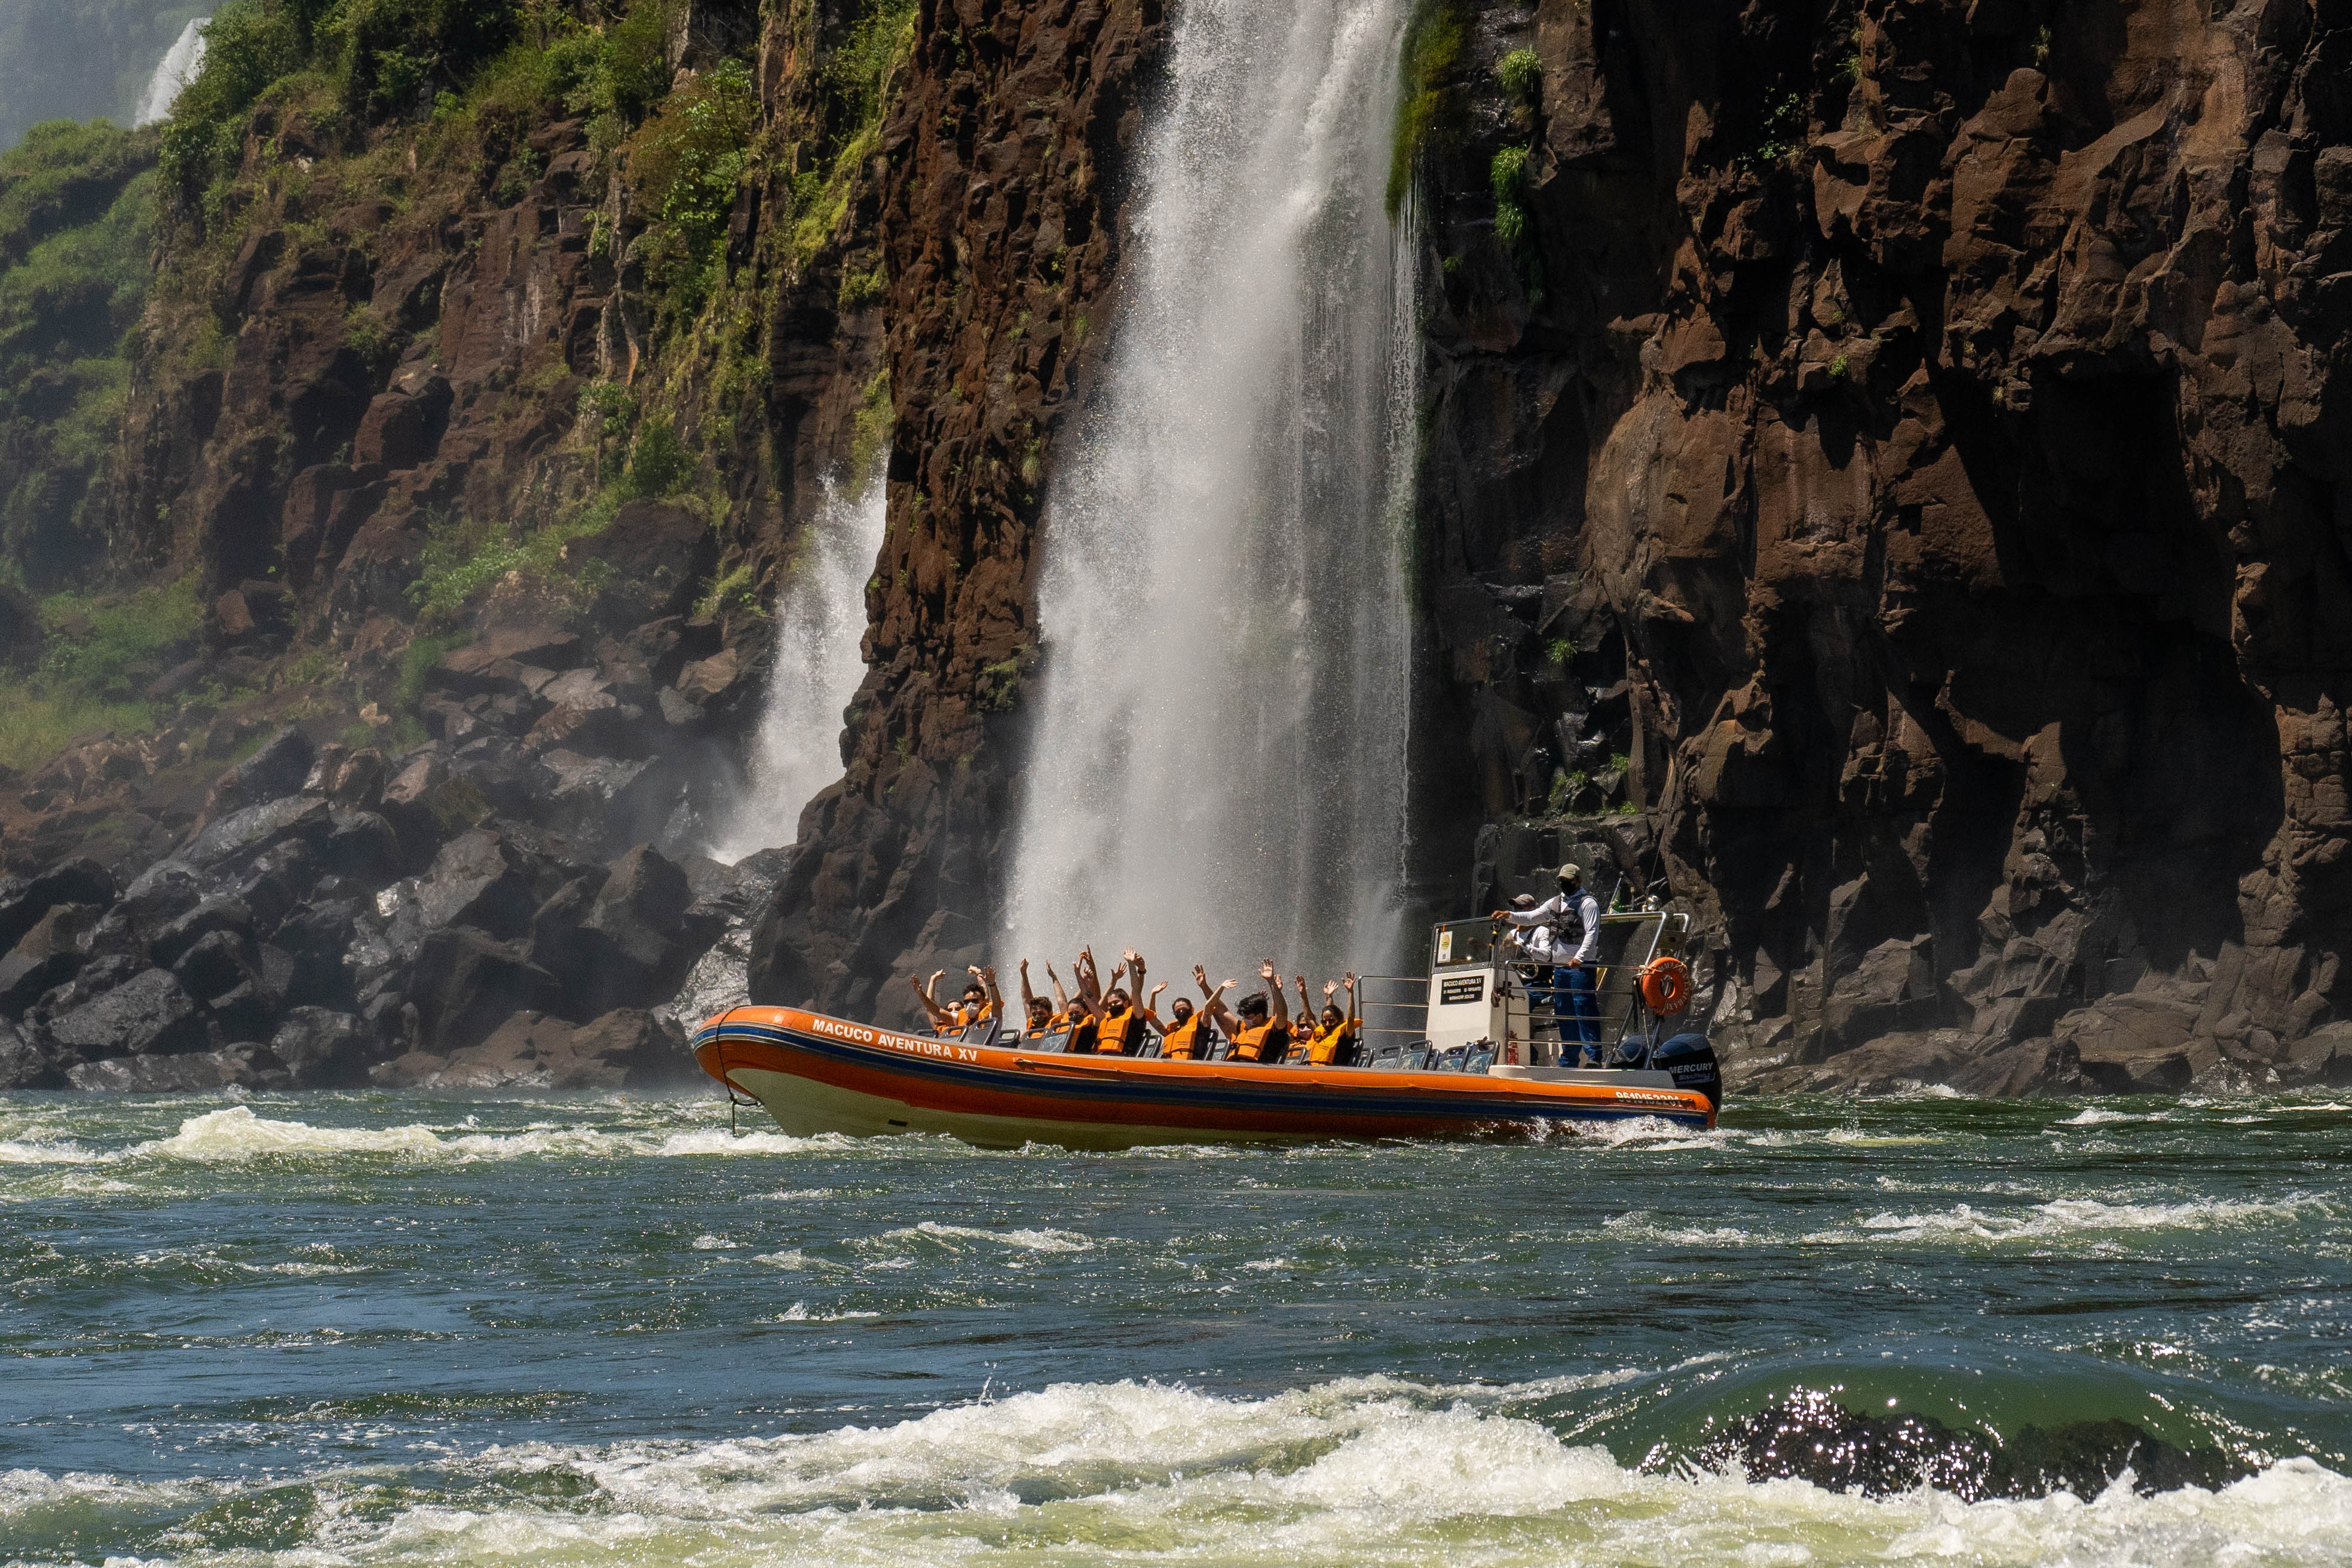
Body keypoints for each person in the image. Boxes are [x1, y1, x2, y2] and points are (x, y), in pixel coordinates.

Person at [1498, 863, 1603, 1058]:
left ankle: (1594, 1057)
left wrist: (1579, 958)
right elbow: (1531, 917)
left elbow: (1592, 934)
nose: (1564, 884)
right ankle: (1570, 1057)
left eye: (1568, 881)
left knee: (1584, 1010)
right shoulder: (1555, 903)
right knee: (1564, 1013)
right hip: (1561, 969)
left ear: (1577, 881)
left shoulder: (1588, 904)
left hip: (1581, 968)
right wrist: (1510, 916)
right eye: (1562, 881)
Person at [1211, 959, 1292, 1062]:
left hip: (1257, 1071)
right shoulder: (1243, 1028)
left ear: (1259, 1016)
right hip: (1234, 1068)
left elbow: (1282, 1012)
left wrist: (1272, 983)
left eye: (1248, 1018)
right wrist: (1204, 986)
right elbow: (1221, 1011)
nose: (1245, 1020)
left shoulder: (1274, 1030)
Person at [1149, 967, 1226, 1060]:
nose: (1181, 1012)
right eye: (1178, 1011)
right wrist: (1153, 995)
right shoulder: (1173, 1030)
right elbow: (1152, 1019)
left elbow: (1209, 1006)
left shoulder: (1201, 1024)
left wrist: (1216, 987)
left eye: (1184, 1009)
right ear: (1175, 1014)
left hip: (1189, 1065)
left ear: (1192, 1009)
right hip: (1168, 1065)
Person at [1303, 974, 1362, 1066]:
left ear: (1340, 1019)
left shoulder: (1347, 1033)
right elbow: (1309, 1018)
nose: (1327, 1024)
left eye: (1331, 1021)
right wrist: (1303, 994)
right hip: (1314, 1070)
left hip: (1333, 1071)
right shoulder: (1322, 1031)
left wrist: (1350, 992)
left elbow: (1351, 1017)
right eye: (1324, 1021)